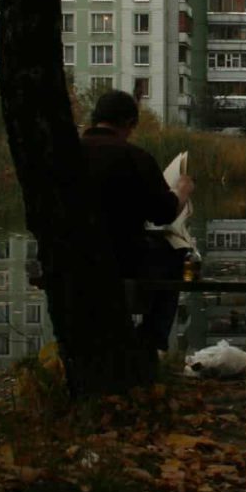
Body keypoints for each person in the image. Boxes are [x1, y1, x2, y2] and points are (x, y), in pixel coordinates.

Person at [80, 89, 193, 350]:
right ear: (130, 123)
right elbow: (163, 213)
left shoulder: (64, 156)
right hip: (120, 259)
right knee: (174, 257)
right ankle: (152, 341)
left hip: (68, 257)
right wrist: (181, 192)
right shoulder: (134, 157)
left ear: (96, 118)